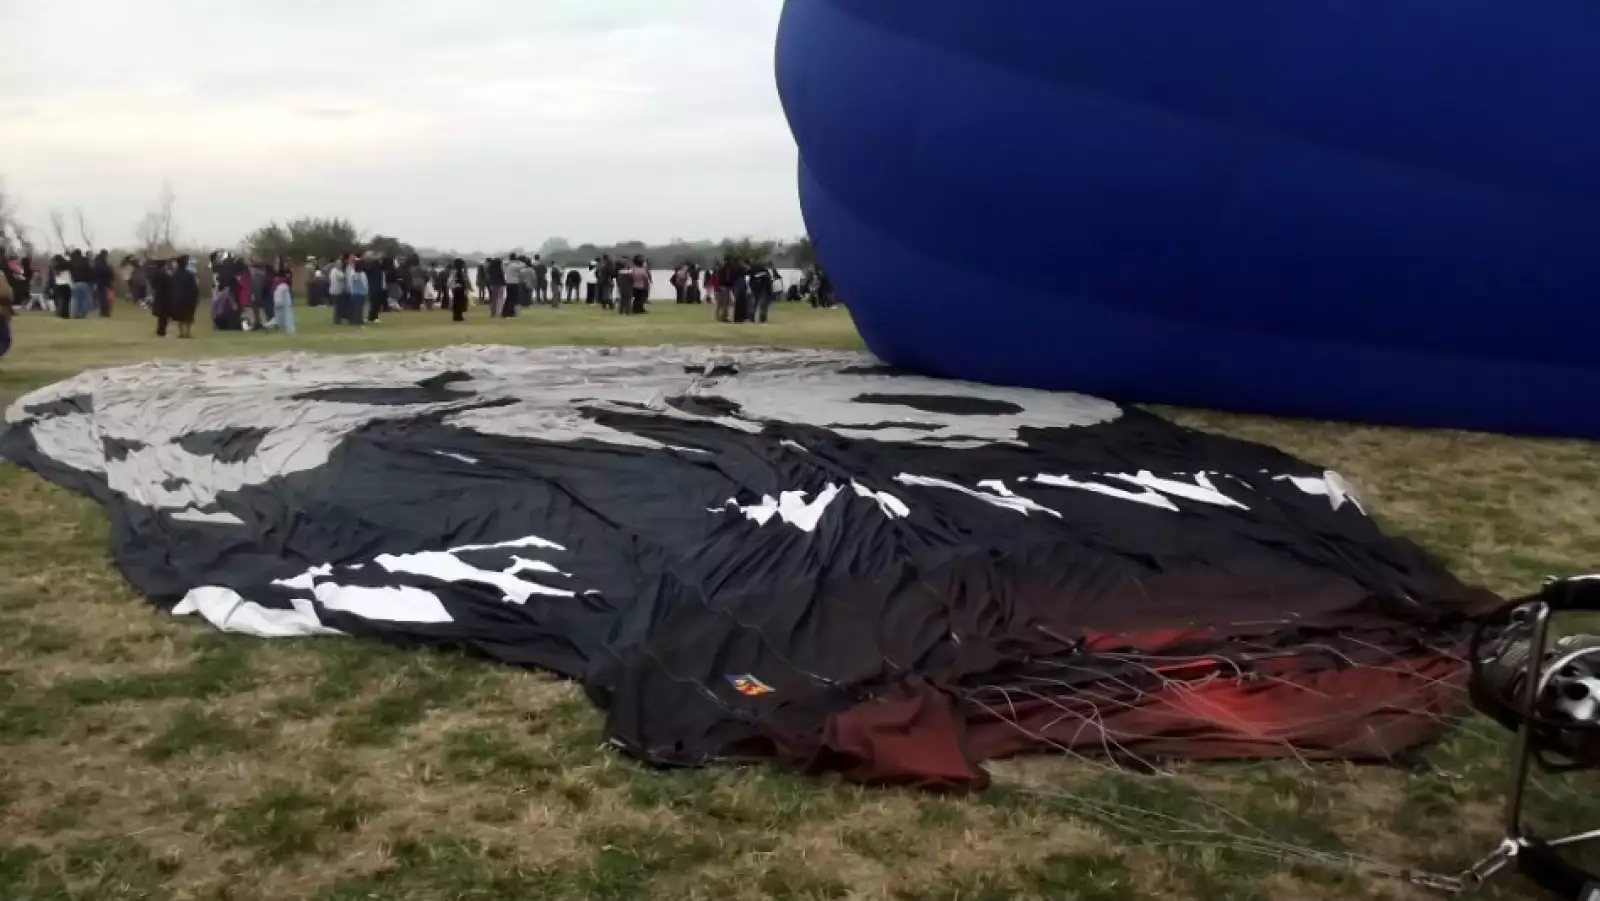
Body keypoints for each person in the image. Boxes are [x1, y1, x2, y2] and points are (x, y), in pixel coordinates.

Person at [170, 255, 198, 339]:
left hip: (177, 297)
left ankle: (181, 332)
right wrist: (195, 297)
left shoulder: (175, 274)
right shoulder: (190, 275)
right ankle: (188, 332)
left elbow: (171, 286)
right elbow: (194, 287)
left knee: (179, 316)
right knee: (188, 315)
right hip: (188, 298)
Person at [148, 258, 174, 337]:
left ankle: (160, 329)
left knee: (161, 315)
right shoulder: (164, 273)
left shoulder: (154, 273)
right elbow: (170, 282)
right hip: (165, 295)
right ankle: (162, 331)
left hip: (158, 294)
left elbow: (152, 284)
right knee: (164, 315)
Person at [271, 267, 296, 334]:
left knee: (280, 318)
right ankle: (289, 329)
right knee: (286, 317)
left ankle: (272, 326)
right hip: (283, 304)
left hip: (281, 304)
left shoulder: (278, 284)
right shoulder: (283, 285)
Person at [328, 253, 351, 324]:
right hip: (337, 291)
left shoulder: (332, 271)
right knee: (338, 307)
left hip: (333, 290)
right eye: (340, 264)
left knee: (337, 306)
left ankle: (337, 319)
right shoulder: (337, 272)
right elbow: (343, 278)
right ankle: (337, 320)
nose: (341, 265)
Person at [348, 256, 370, 326]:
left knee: (355, 307)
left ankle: (354, 320)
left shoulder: (352, 273)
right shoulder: (362, 274)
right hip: (361, 293)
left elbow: (350, 283)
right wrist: (366, 292)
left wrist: (351, 291)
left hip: (354, 293)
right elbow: (365, 284)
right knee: (360, 308)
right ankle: (358, 320)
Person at [449, 258, 469, 322]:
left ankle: (457, 316)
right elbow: (465, 280)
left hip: (456, 288)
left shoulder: (455, 272)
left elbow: (450, 281)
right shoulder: (459, 273)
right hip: (459, 288)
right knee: (460, 302)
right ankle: (458, 316)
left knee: (458, 302)